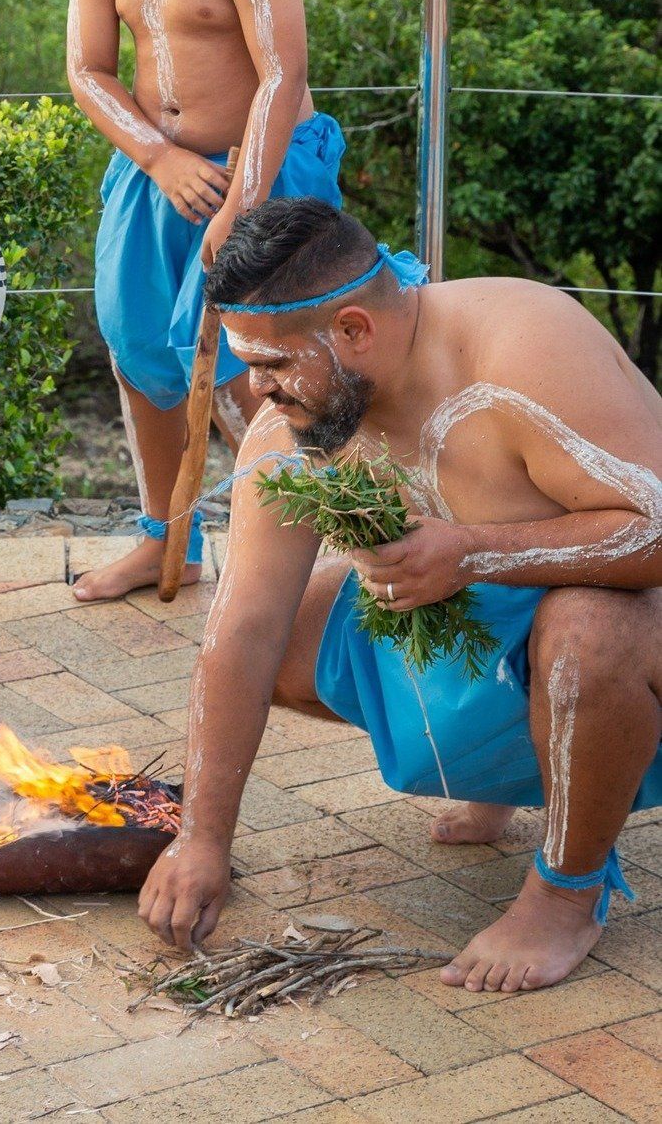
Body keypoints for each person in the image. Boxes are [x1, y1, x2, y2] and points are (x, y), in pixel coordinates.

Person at [139, 197, 662, 994]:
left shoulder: (522, 345)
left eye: (274, 366)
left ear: (352, 329)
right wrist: (201, 837)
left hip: (623, 613)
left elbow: (654, 530)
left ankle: (567, 890)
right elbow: (242, 627)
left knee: (587, 637)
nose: (256, 391)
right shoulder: (292, 427)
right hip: (484, 621)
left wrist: (471, 550)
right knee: (277, 641)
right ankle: (509, 778)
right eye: (248, 364)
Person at [54, 0, 345, 602]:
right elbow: (86, 71)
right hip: (154, 181)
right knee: (140, 351)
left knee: (267, 368)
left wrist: (240, 205)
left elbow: (280, 73)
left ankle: (290, 562)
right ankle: (164, 541)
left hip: (260, 174)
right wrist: (156, 158)